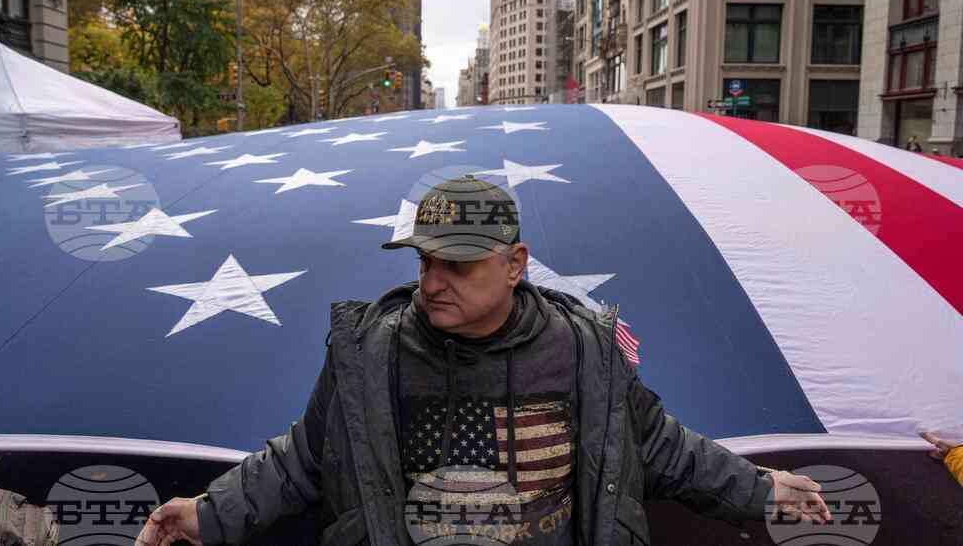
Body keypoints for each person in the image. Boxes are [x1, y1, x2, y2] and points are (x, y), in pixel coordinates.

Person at [134, 175, 832, 546]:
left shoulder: (585, 348)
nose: (432, 282)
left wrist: (761, 488)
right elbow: (305, 456)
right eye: (425, 262)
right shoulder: (372, 351)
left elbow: (660, 446)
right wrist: (211, 512)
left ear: (515, 265)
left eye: (458, 266)